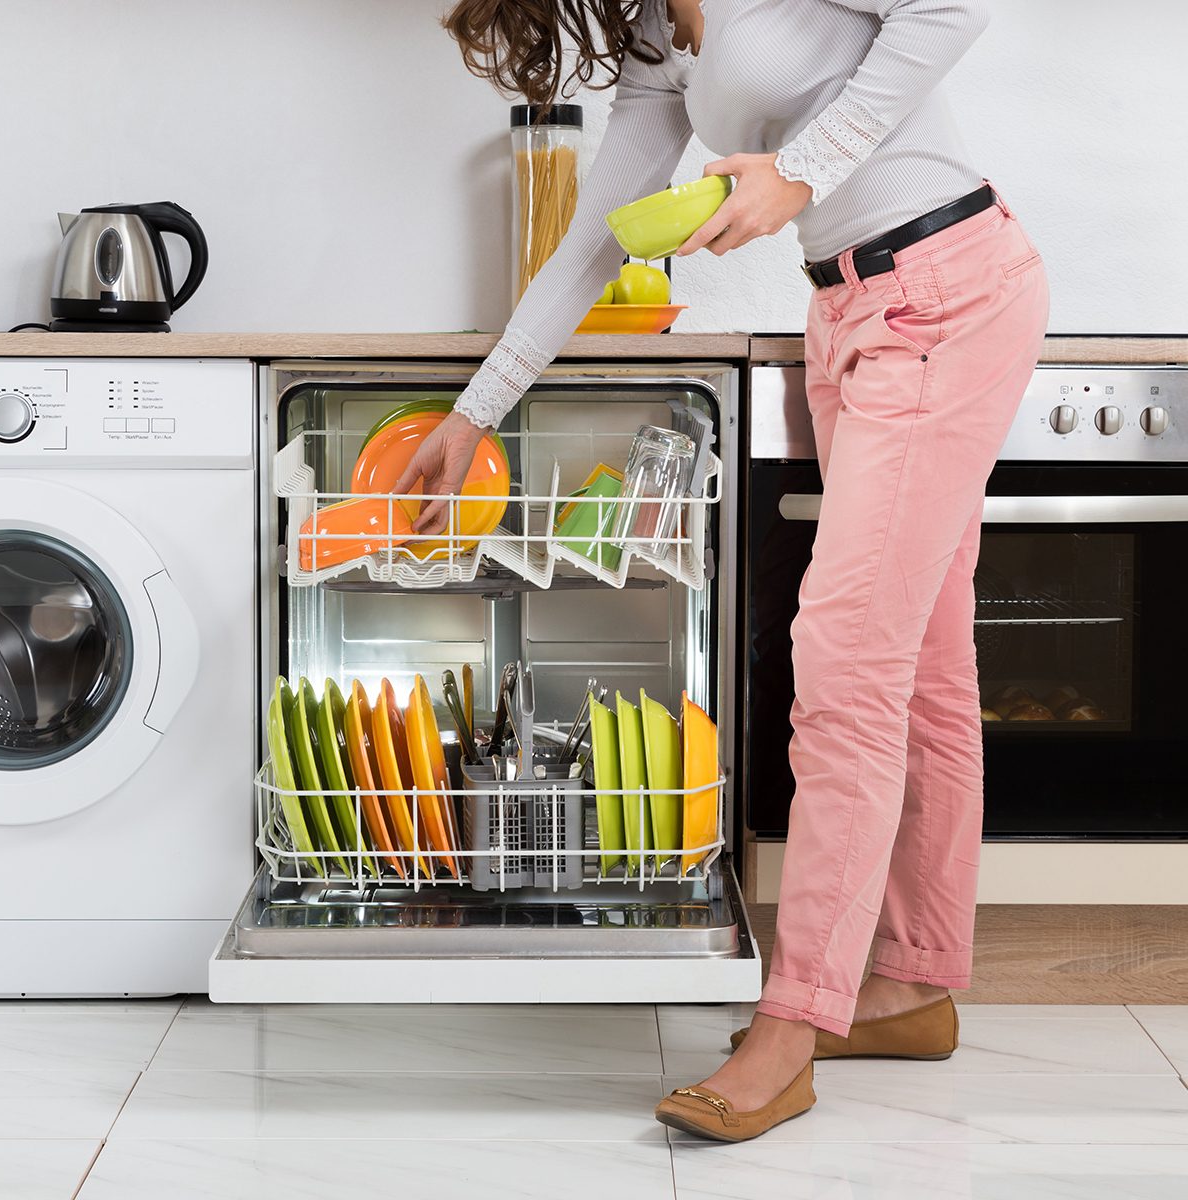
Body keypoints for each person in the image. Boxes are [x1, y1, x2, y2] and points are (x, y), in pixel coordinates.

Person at [399, 0, 1050, 1142]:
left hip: (947, 290)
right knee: (927, 667)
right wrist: (475, 410)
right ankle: (911, 980)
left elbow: (953, 6)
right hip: (853, 314)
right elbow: (599, 236)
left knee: (844, 667)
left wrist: (800, 173)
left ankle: (791, 1027)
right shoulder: (660, 38)